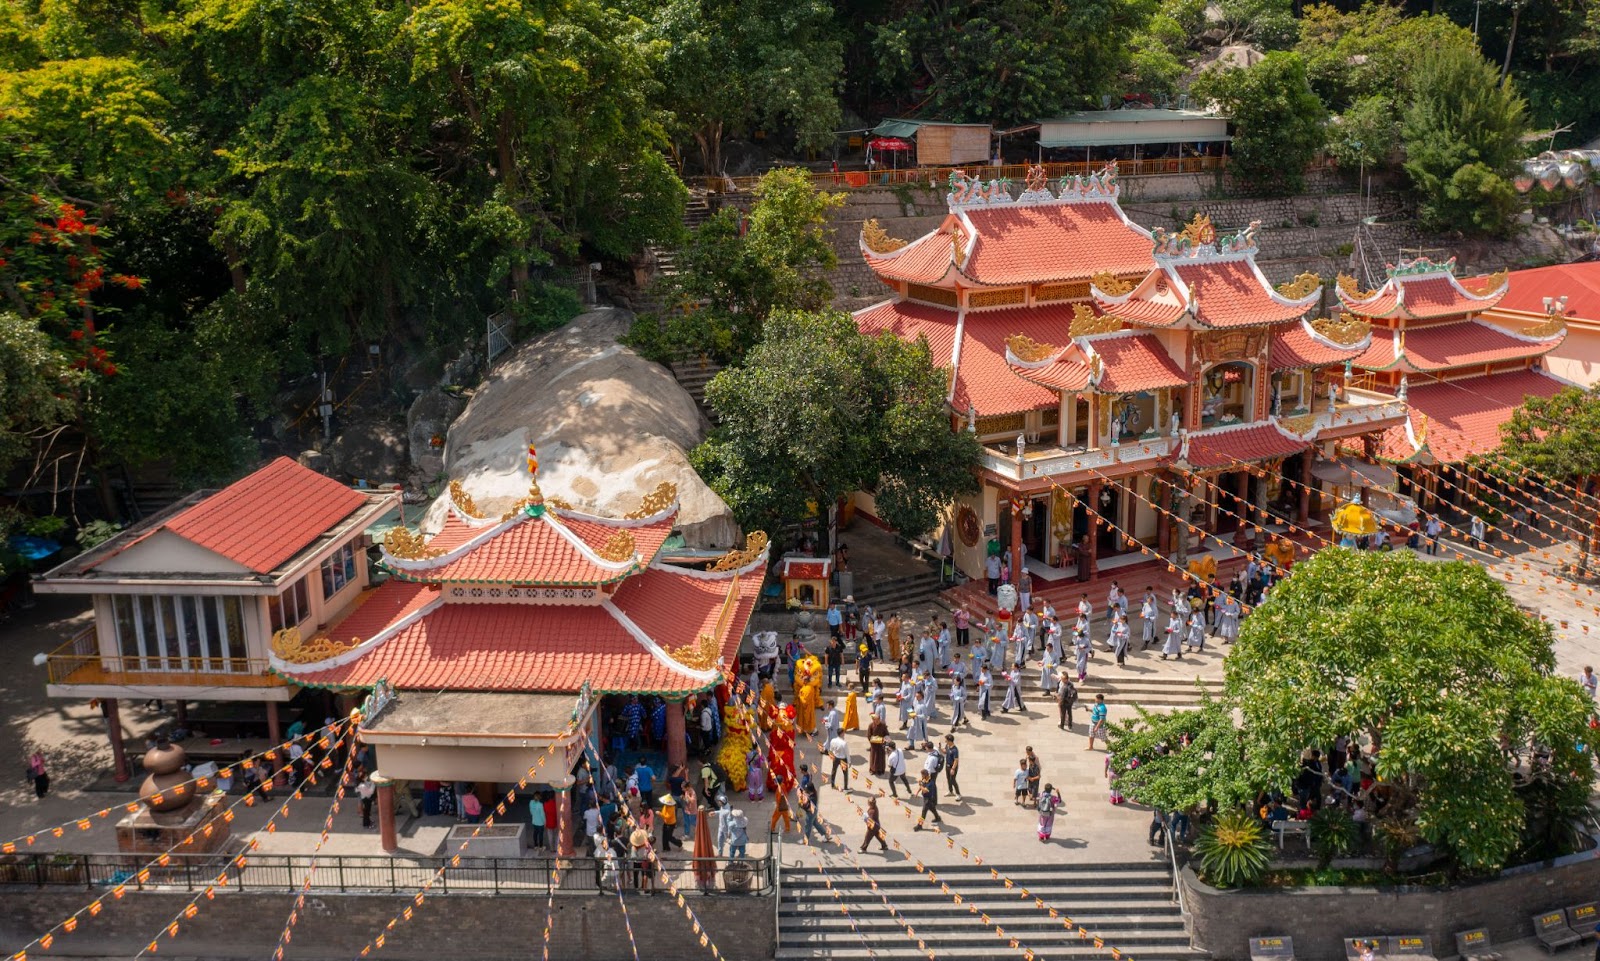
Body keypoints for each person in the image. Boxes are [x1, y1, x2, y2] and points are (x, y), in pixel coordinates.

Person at [798, 765, 823, 845]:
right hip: (814, 811)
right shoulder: (814, 793)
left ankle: (806, 840)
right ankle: (825, 834)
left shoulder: (811, 798)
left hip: (811, 812)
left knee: (807, 826)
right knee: (815, 823)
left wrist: (801, 803)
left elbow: (806, 806)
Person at [941, 734, 961, 801]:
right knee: (948, 779)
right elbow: (946, 752)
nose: (945, 741)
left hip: (952, 767)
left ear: (950, 741)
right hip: (947, 765)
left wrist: (953, 769)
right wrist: (941, 749)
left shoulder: (955, 750)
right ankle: (950, 791)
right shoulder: (947, 746)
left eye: (946, 740)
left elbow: (956, 760)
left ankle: (958, 794)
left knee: (953, 780)